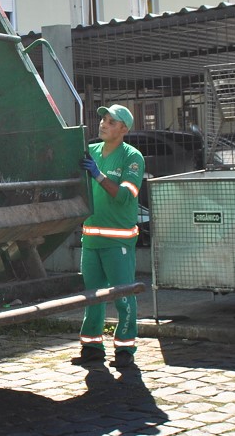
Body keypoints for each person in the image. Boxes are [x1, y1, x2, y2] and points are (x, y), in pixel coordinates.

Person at [73, 104, 144, 367]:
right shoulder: (90, 151)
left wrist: (98, 175)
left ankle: (125, 349)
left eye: (111, 122)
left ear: (124, 129)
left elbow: (124, 196)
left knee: (124, 297)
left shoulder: (132, 157)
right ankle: (91, 347)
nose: (103, 124)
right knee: (92, 297)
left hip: (118, 241)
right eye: (103, 119)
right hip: (91, 239)